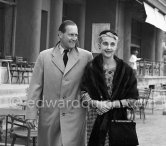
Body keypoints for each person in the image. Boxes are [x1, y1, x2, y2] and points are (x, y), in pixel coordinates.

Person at [25, 20, 93, 146]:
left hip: (75, 119)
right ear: (60, 34)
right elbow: (35, 88)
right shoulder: (44, 56)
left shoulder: (87, 57)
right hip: (50, 117)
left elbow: (92, 86)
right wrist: (31, 114)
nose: (74, 38)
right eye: (71, 35)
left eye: (76, 35)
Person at [81, 30, 139, 146]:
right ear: (99, 45)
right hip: (95, 118)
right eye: (105, 43)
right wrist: (97, 104)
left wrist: (110, 105)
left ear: (116, 46)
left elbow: (133, 99)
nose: (108, 47)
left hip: (118, 120)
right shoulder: (90, 68)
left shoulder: (126, 70)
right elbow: (83, 93)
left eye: (112, 44)